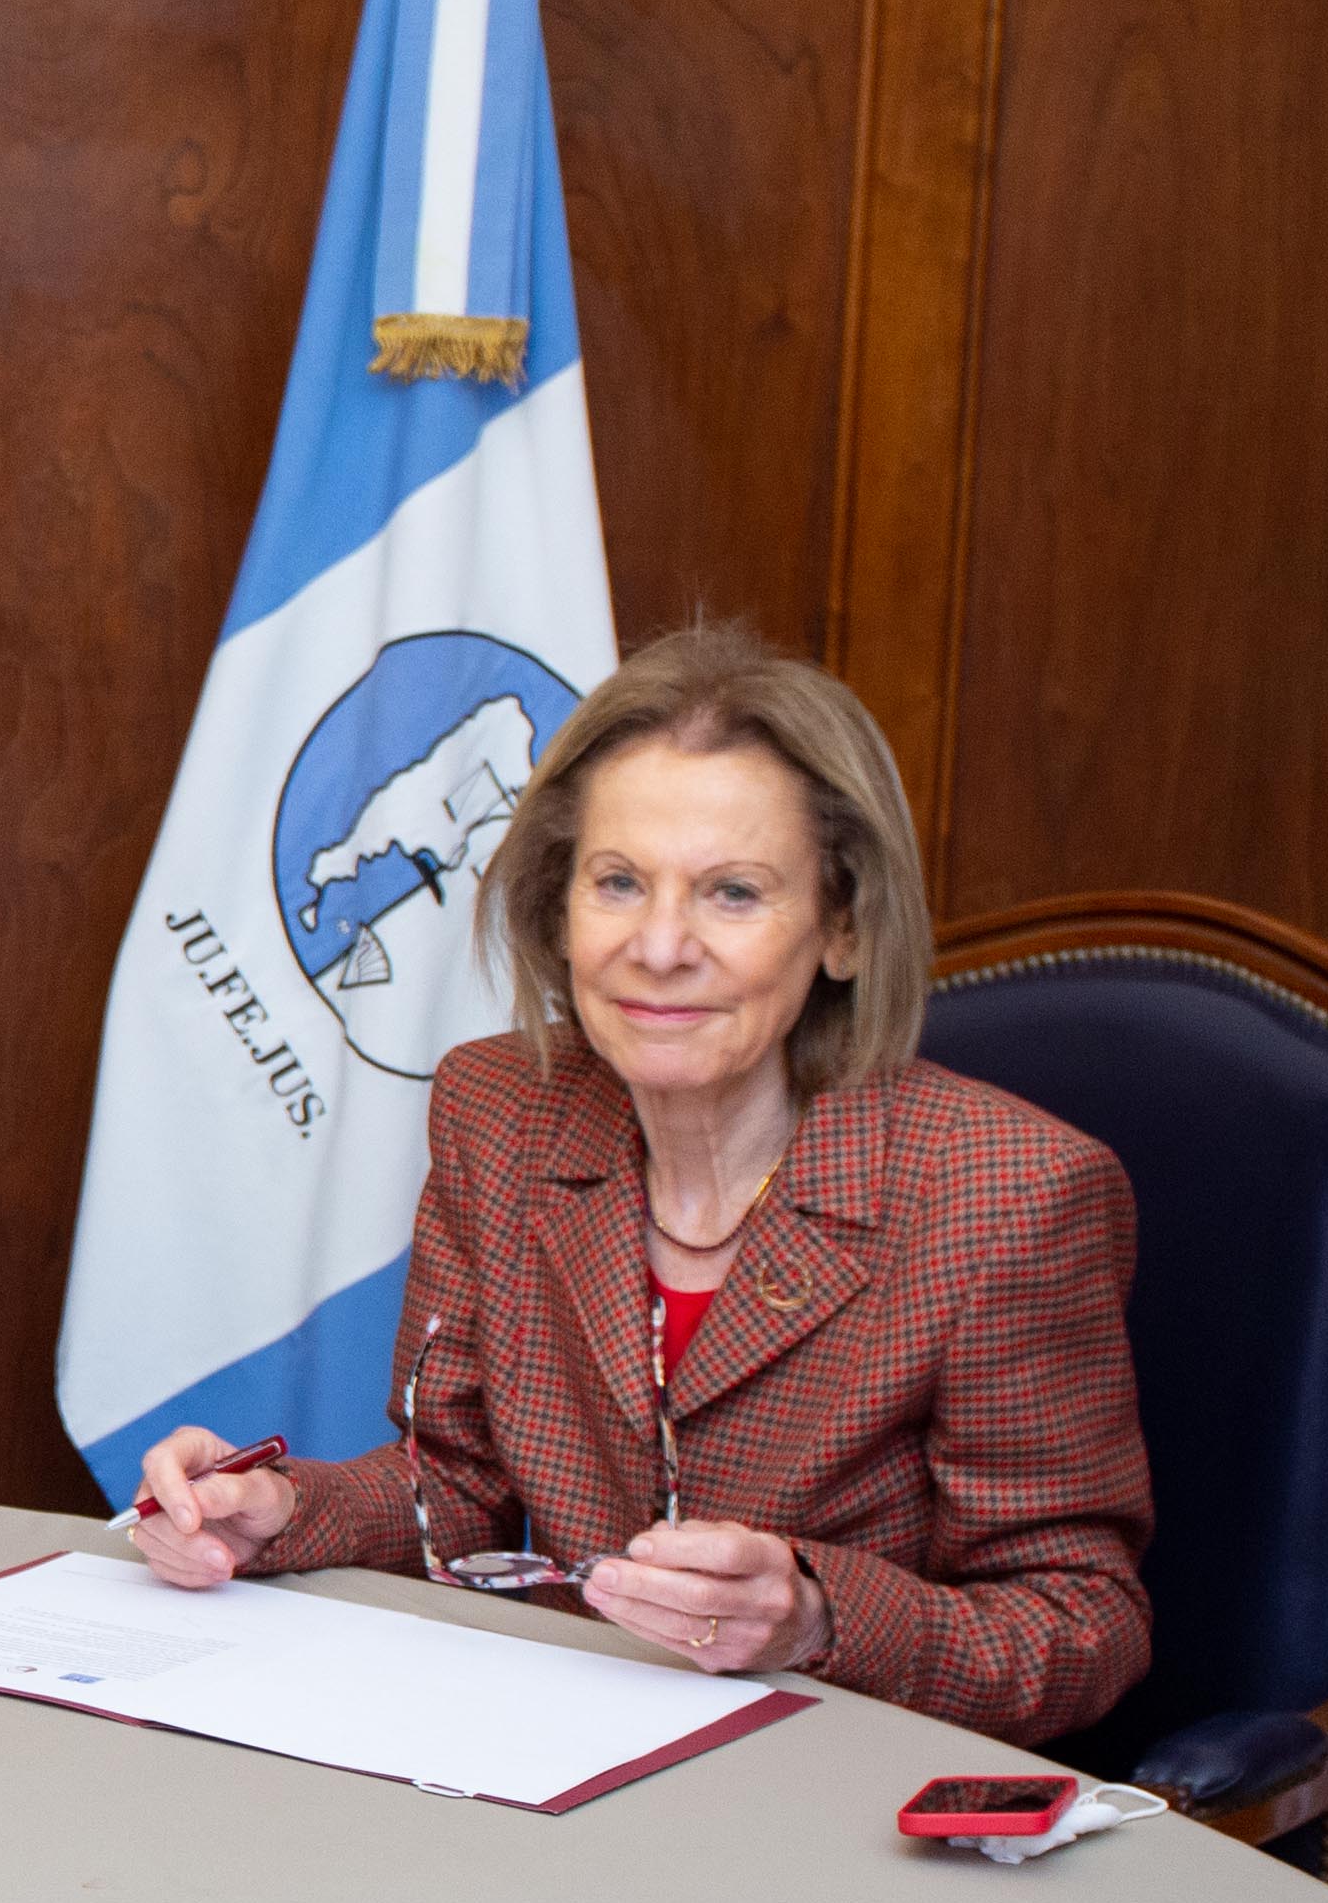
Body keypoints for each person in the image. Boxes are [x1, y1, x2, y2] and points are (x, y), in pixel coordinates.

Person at [120, 623, 1150, 1745]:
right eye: (617, 882)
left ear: (842, 928)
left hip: (829, 1780)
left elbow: (1080, 1623)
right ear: (558, 907)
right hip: (540, 1753)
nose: (658, 947)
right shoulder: (495, 1112)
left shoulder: (1008, 1196)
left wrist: (814, 1618)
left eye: (731, 893)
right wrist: (276, 1512)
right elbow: (453, 1489)